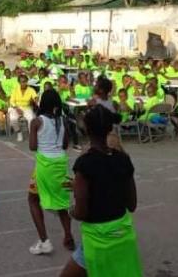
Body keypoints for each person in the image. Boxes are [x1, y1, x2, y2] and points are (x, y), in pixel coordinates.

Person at [60, 106, 141, 277]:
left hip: (98, 239)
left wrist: (70, 210)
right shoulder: (123, 160)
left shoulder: (85, 164)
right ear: (110, 129)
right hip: (123, 236)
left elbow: (81, 212)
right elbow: (132, 205)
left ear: (86, 130)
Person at [28, 89, 74, 256]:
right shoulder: (63, 120)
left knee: (32, 199)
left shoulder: (37, 122)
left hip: (44, 165)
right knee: (62, 202)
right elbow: (64, 145)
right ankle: (68, 236)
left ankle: (44, 241)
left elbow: (32, 147)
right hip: (60, 163)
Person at [9, 74, 38, 142]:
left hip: (27, 107)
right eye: (22, 82)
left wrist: (36, 99)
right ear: (19, 82)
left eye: (25, 81)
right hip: (16, 107)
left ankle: (32, 135)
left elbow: (35, 97)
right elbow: (11, 101)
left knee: (31, 118)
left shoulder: (31, 89)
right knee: (13, 119)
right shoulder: (15, 89)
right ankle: (19, 132)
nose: (24, 83)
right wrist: (17, 108)